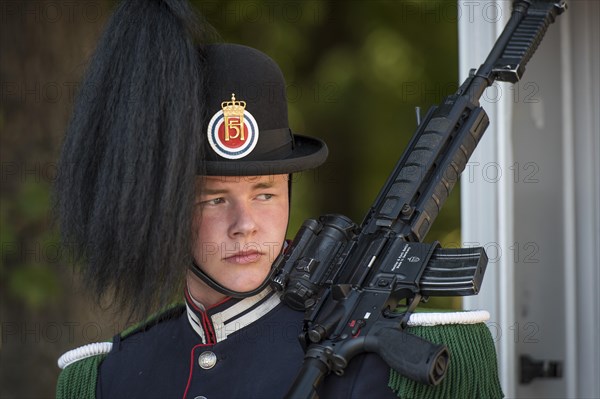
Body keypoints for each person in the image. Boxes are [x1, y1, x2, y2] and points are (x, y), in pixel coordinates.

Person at [54, 0, 399, 397]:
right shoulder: (111, 376)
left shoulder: (371, 358)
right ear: (162, 210)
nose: (245, 224)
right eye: (213, 199)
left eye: (265, 193)